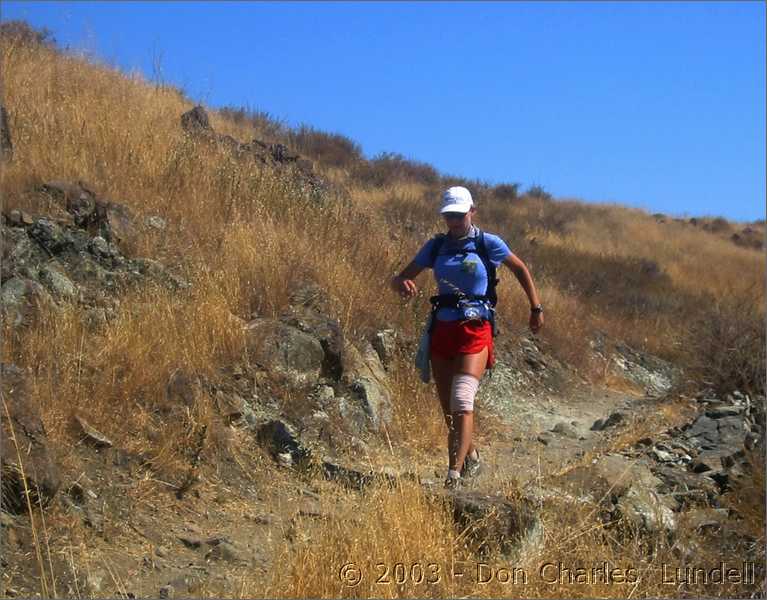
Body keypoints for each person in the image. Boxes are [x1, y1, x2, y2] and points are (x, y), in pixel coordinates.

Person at [390, 186, 544, 488]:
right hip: (442, 330)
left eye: (459, 215)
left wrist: (535, 307)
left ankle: (454, 475)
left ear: (472, 211)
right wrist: (402, 284)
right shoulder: (435, 247)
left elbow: (520, 268)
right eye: (449, 215)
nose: (454, 220)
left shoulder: (488, 243)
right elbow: (399, 277)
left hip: (476, 328)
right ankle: (471, 457)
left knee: (462, 399)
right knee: (450, 411)